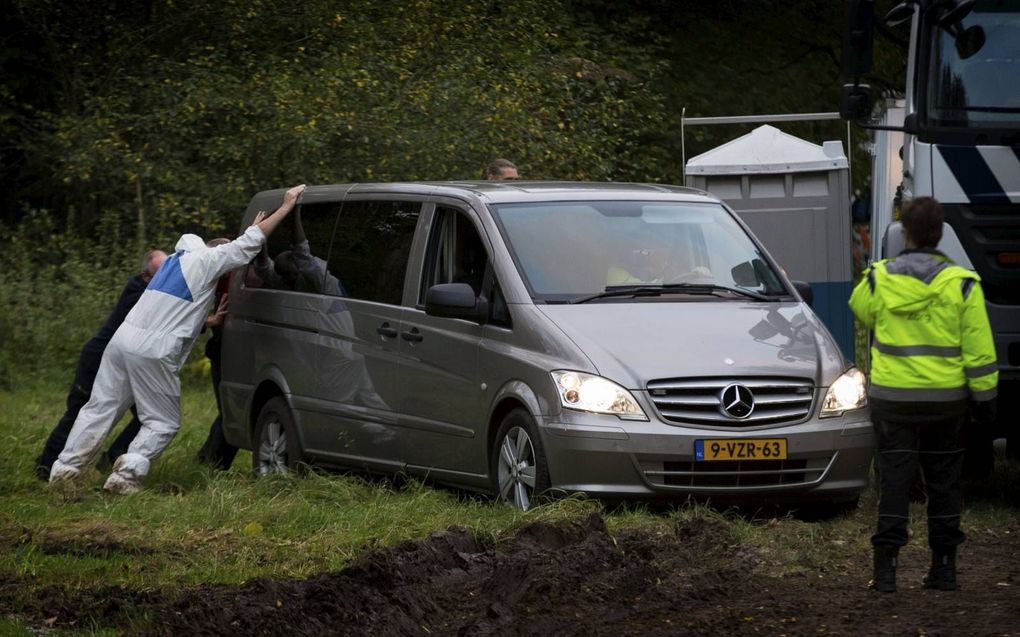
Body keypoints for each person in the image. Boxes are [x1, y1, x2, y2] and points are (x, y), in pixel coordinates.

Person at [50, 184, 307, 493]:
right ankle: (125, 476)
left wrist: (207, 320)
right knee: (162, 422)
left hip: (122, 343)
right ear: (216, 252)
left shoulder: (174, 262)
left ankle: (64, 472)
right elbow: (248, 244)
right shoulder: (207, 261)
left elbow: (172, 308)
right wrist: (285, 207)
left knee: (99, 408)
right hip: (153, 351)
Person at [849, 196, 998, 593]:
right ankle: (944, 569)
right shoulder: (963, 284)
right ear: (941, 233)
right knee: (945, 484)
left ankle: (885, 573)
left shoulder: (880, 279)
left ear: (904, 233)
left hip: (892, 402)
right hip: (946, 404)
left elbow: (859, 308)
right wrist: (985, 399)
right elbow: (980, 351)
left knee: (894, 485)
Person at [34, 249, 167, 480]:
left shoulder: (151, 290)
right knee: (78, 412)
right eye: (160, 274)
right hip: (96, 361)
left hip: (125, 366)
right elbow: (162, 317)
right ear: (146, 276)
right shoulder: (138, 293)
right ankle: (45, 466)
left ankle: (114, 456)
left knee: (150, 415)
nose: (167, 278)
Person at [196, 239, 236, 470]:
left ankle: (208, 461)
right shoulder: (211, 279)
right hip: (222, 349)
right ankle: (210, 462)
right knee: (228, 410)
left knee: (229, 410)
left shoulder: (229, 277)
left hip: (229, 348)